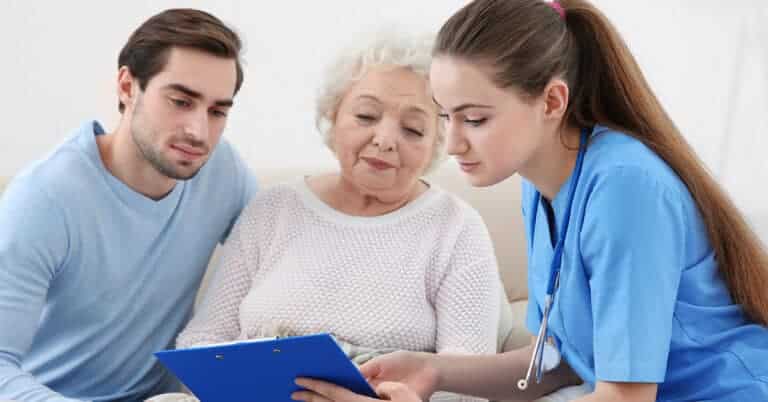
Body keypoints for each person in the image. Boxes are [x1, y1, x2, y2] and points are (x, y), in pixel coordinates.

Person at [291, 1, 768, 401]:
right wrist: (433, 370)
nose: (452, 143)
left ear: (552, 102)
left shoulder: (626, 187)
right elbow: (559, 359)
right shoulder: (540, 184)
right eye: (445, 116)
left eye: (474, 119)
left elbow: (625, 397)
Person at [170, 33, 503, 402]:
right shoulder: (274, 208)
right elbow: (200, 342)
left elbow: (470, 381)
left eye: (412, 129)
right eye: (366, 116)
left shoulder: (455, 227)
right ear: (333, 115)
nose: (385, 139)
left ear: (437, 143)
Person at [0, 9, 257, 402]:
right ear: (126, 86)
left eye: (217, 111)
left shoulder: (223, 171)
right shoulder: (43, 198)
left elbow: (287, 258)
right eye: (180, 101)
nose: (198, 131)